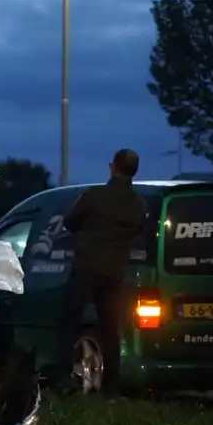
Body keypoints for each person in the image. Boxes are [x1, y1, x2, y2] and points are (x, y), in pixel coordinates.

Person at [49, 149, 148, 394]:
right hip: (114, 273)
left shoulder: (94, 196)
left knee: (69, 322)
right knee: (110, 329)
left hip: (86, 268)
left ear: (113, 166)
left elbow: (71, 222)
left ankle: (62, 377)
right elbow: (137, 230)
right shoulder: (138, 204)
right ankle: (112, 386)